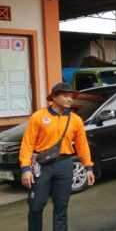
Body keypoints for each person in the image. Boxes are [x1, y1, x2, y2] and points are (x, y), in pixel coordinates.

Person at [19, 82, 95, 231]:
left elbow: (82, 146)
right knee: (35, 206)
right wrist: (26, 168)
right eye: (65, 95)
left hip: (65, 165)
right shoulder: (38, 117)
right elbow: (27, 143)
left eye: (71, 96)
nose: (70, 99)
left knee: (61, 207)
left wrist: (88, 167)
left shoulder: (75, 120)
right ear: (54, 97)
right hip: (42, 165)